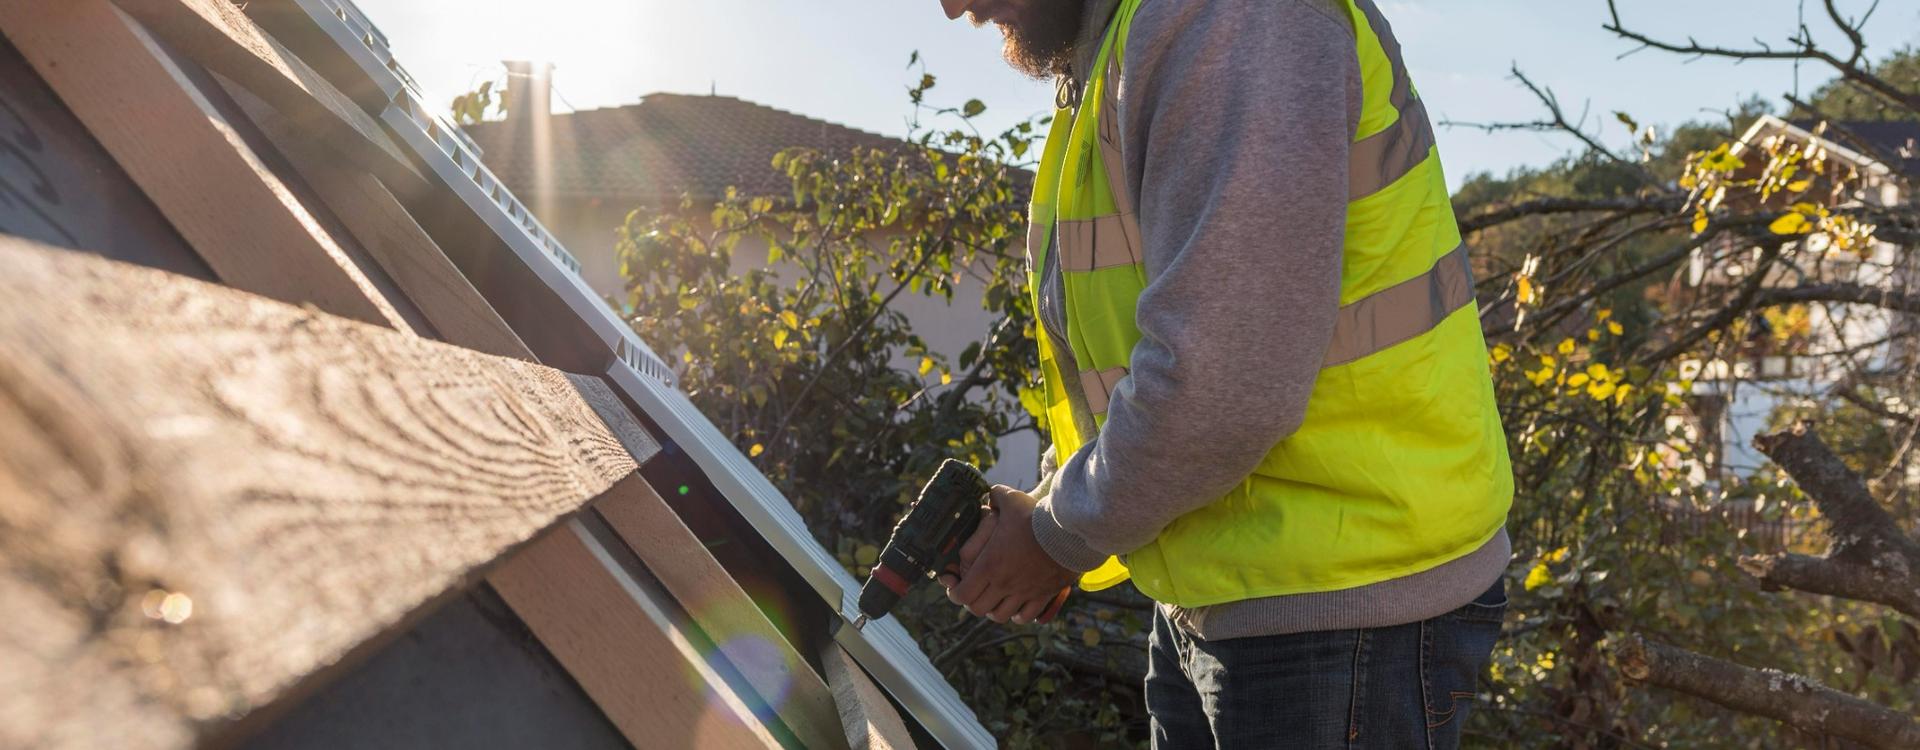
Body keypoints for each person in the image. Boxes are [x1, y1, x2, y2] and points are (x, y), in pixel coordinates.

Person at [933, 0, 1515, 747]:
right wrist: (1051, 504)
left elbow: (1220, 383)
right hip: (1235, 593)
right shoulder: (1125, 38)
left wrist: (1055, 537)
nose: (952, 6)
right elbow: (1146, 350)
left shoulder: (1232, 18)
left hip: (1338, 612)